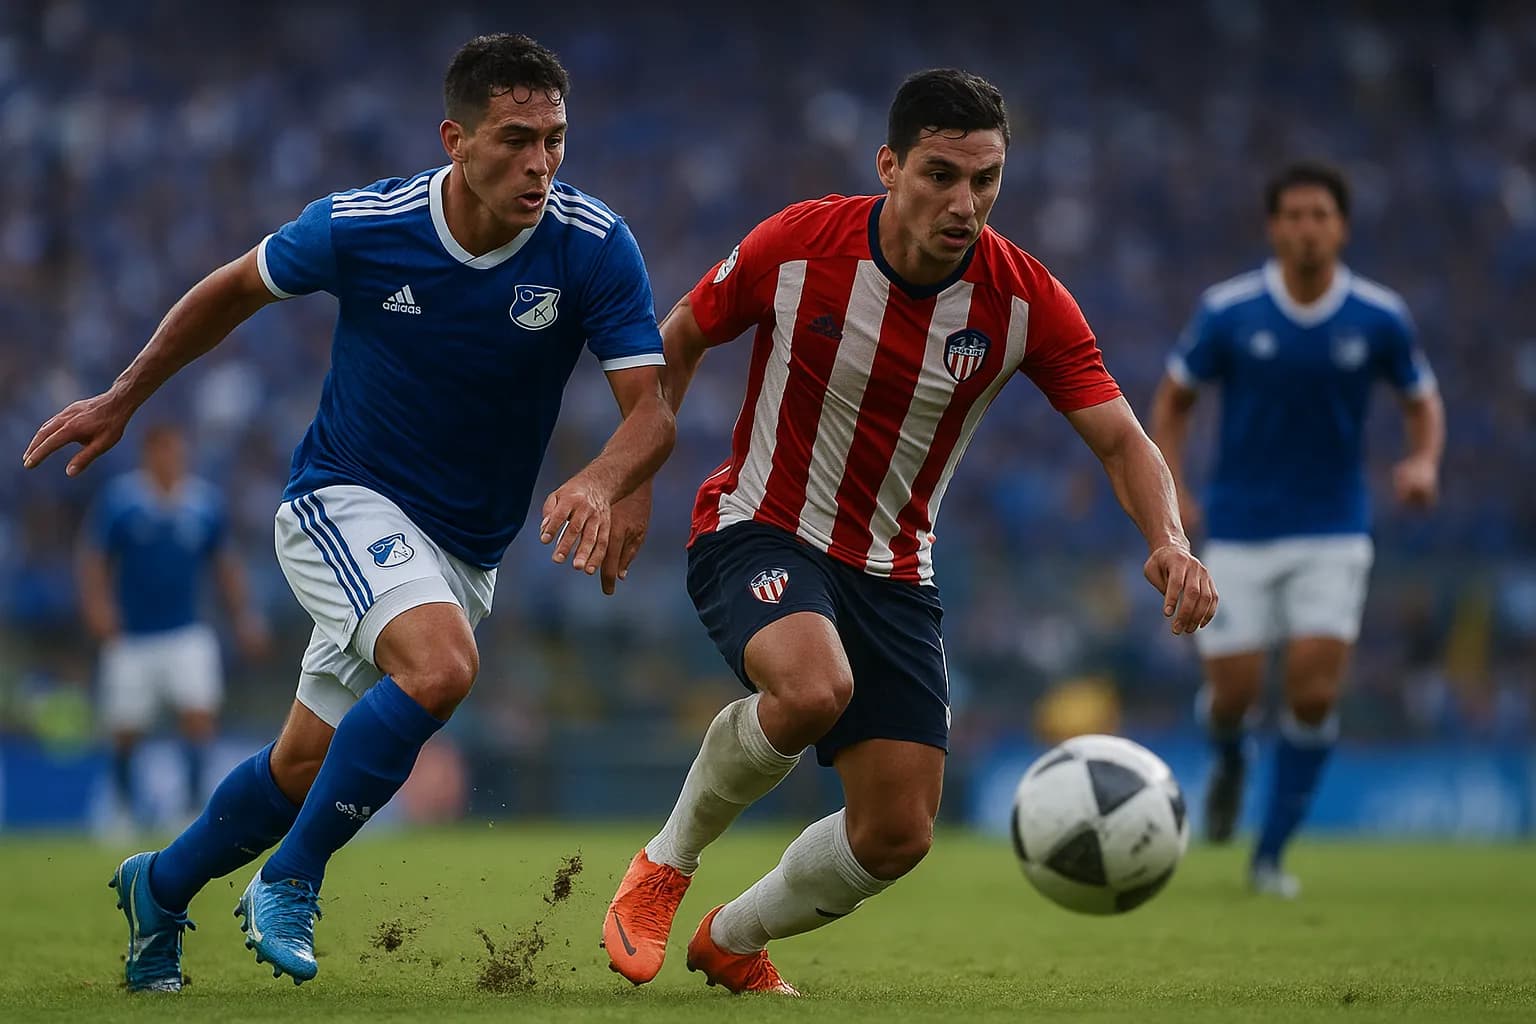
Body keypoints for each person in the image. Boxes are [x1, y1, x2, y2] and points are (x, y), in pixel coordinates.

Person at [24, 33, 675, 991]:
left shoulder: (591, 243)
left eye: (555, 138)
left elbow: (650, 412)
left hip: (461, 552)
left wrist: (604, 480)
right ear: (455, 139)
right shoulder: (367, 225)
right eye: (514, 139)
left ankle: (158, 887)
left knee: (298, 769)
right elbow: (233, 290)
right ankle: (290, 882)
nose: (540, 163)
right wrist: (124, 396)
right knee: (443, 668)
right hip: (342, 497)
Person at [600, 69, 1217, 995]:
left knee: (898, 834)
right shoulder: (799, 244)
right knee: (812, 688)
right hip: (760, 524)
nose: (964, 203)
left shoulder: (1025, 302)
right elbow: (679, 338)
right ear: (888, 166)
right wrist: (633, 478)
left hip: (894, 572)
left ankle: (733, 936)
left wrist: (1167, 536)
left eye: (986, 180)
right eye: (939, 175)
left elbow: (1124, 441)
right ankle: (665, 866)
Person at [1149, 162, 1444, 898]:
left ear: (1341, 227)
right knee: (1235, 694)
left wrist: (1424, 461)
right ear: (1273, 226)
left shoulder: (1379, 316)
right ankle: (1229, 757)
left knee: (1312, 695)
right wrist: (1175, 486)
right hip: (1240, 531)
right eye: (1294, 215)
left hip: (1334, 529)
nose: (1307, 228)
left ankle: (1269, 857)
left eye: (1321, 215)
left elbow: (1422, 399)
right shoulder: (1230, 311)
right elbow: (1175, 400)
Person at [80, 424, 267, 833]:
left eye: (177, 451)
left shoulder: (202, 503)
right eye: (164, 452)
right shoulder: (122, 502)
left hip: (186, 632)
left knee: (198, 716)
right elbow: (94, 558)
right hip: (132, 636)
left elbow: (225, 566)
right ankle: (124, 810)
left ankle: (191, 806)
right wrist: (98, 606)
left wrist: (244, 616)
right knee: (126, 730)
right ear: (149, 454)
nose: (172, 460)